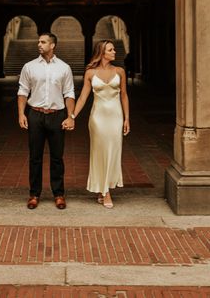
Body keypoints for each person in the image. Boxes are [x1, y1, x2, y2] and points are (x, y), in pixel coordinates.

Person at [17, 32, 75, 210]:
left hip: (57, 116)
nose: (39, 44)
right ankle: (34, 194)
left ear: (53, 45)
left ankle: (59, 194)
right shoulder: (29, 67)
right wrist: (21, 114)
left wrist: (70, 116)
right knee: (35, 157)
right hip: (35, 115)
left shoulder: (64, 68)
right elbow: (23, 91)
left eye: (43, 42)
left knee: (57, 158)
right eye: (38, 42)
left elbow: (69, 93)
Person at [71, 39, 130, 208]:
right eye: (111, 50)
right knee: (99, 152)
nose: (114, 52)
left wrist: (127, 118)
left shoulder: (120, 71)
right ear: (102, 52)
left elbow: (124, 95)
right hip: (98, 118)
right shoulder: (90, 72)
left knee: (113, 152)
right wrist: (72, 115)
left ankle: (102, 188)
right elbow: (83, 97)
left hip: (116, 117)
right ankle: (105, 192)